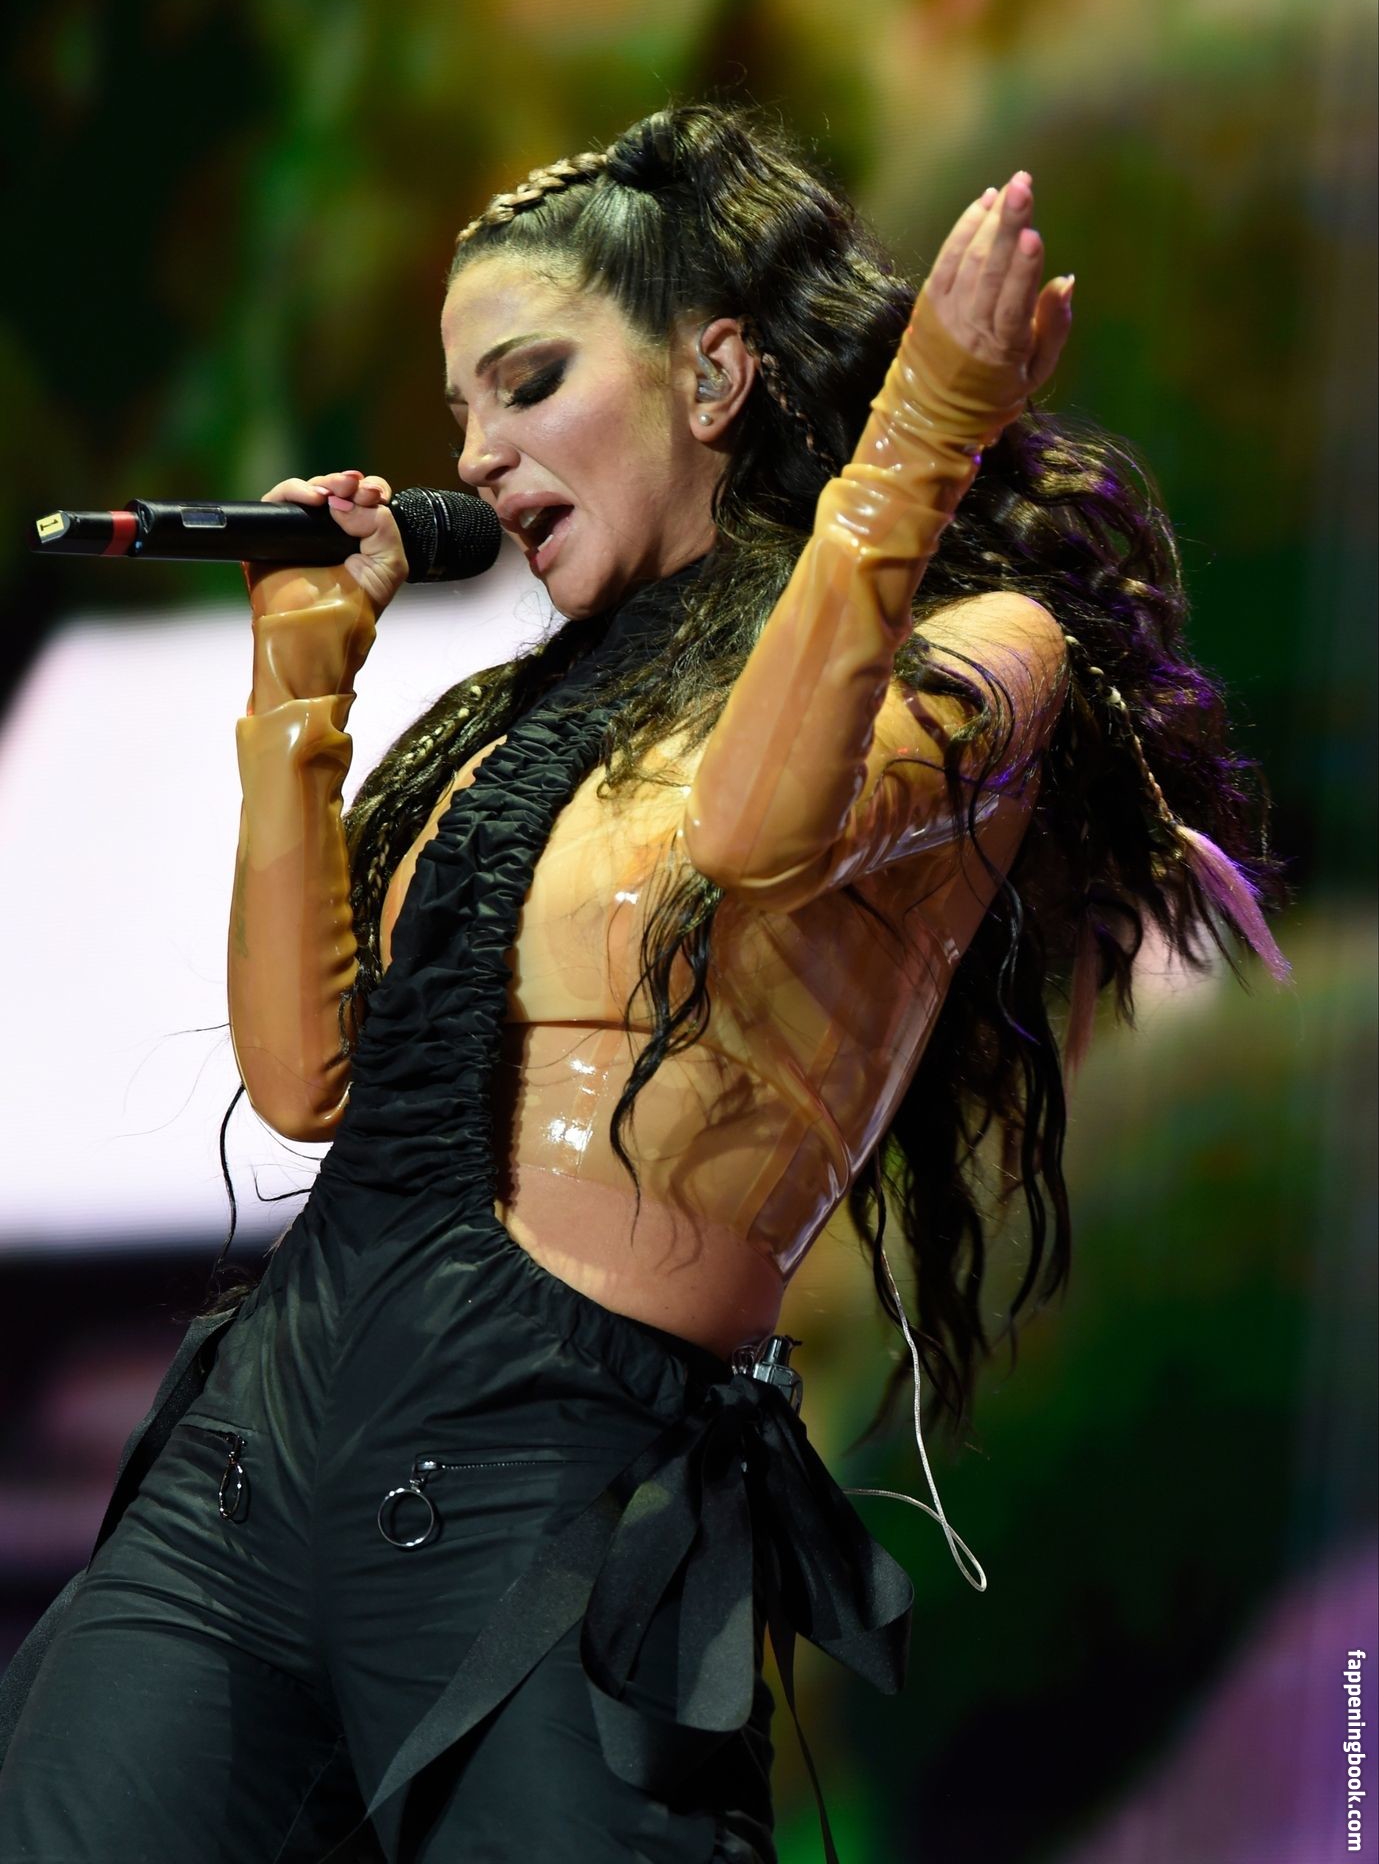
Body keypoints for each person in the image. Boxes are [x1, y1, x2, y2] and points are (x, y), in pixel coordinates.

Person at [0, 102, 1290, 1863]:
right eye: (461, 410)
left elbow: (754, 834)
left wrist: (925, 427)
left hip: (559, 1486)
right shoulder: (501, 725)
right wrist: (299, 694)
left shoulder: (981, 654)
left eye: (528, 386)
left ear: (714, 376)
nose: (481, 454)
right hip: (259, 1445)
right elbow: (305, 1083)